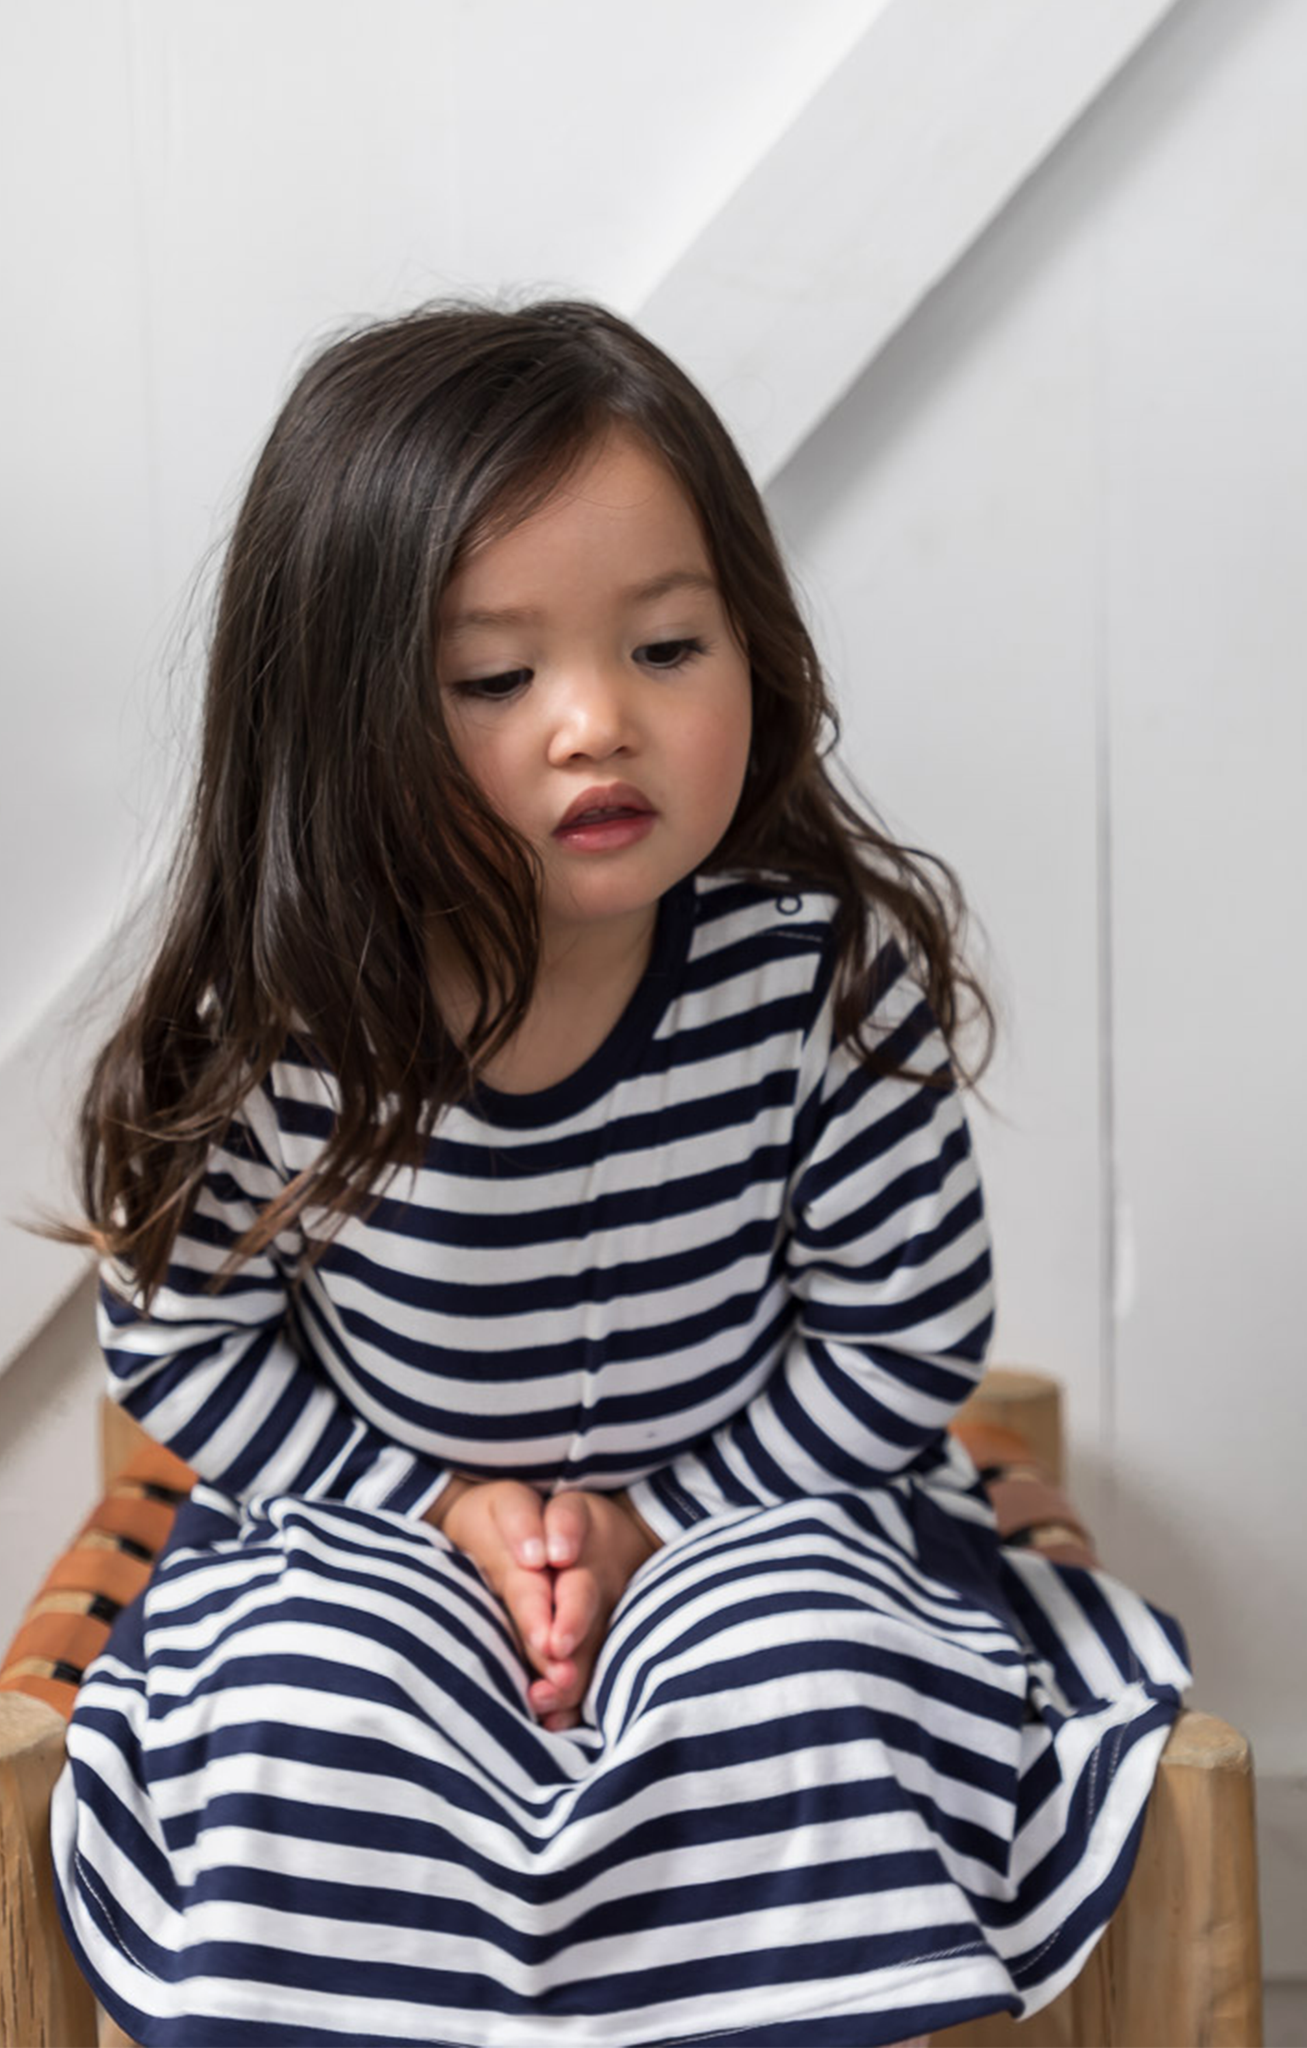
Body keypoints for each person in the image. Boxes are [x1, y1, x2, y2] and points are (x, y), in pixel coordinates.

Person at [50, 300, 1189, 2048]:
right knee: (300, 1712)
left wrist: (660, 1517)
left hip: (753, 1507)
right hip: (375, 1519)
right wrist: (450, 1513)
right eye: (496, 680)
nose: (596, 724)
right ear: (341, 720)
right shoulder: (277, 1013)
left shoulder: (813, 976)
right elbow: (192, 1348)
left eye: (667, 648)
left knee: (803, 1680)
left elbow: (899, 1334)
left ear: (757, 646)